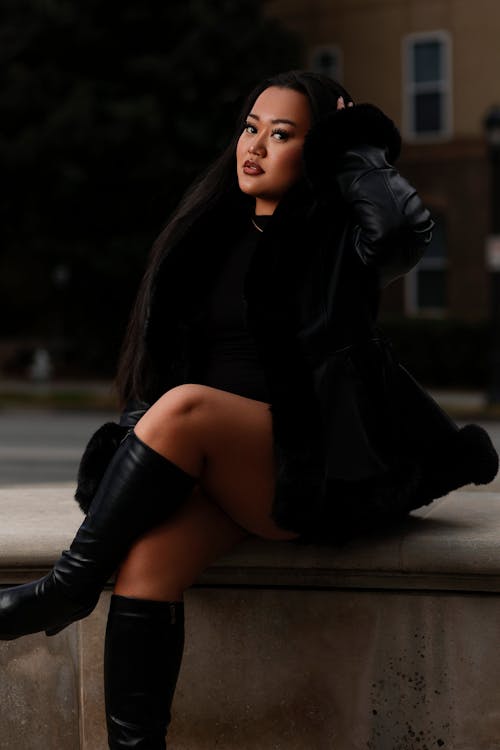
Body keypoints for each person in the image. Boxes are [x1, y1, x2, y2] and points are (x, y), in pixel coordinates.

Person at [0, 70, 498, 748]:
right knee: (147, 567)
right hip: (223, 471)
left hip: (302, 469)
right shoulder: (206, 235)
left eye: (284, 134)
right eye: (251, 127)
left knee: (186, 409)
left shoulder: (338, 239)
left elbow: (402, 231)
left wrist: (354, 143)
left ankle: (63, 590)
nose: (255, 145)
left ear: (317, 151)